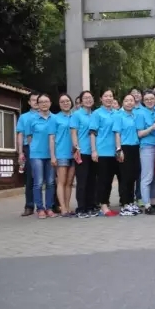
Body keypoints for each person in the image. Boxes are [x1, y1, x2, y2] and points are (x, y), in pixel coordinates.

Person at [25, 93, 56, 219]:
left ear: (50, 103)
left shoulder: (54, 118)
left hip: (51, 154)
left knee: (50, 182)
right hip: (36, 154)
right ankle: (40, 208)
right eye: (41, 102)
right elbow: (29, 137)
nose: (44, 104)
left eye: (46, 101)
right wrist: (34, 148)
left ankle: (49, 207)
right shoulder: (31, 119)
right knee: (38, 182)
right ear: (37, 104)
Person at [89, 89, 119, 217]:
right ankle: (103, 206)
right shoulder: (97, 113)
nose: (108, 98)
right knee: (103, 180)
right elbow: (92, 133)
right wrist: (94, 150)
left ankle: (106, 202)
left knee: (110, 180)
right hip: (102, 151)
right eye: (106, 96)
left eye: (110, 96)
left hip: (114, 152)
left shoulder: (117, 113)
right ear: (101, 98)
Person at [113, 93, 143, 216]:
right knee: (125, 176)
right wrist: (119, 149)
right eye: (126, 100)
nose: (129, 103)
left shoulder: (136, 116)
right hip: (124, 148)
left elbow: (139, 133)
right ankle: (125, 204)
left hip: (135, 147)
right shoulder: (119, 116)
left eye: (131, 100)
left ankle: (131, 202)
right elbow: (117, 134)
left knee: (134, 175)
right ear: (123, 103)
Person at [70, 91, 98, 219]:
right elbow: (73, 133)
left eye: (90, 97)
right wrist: (76, 148)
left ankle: (91, 206)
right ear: (81, 101)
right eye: (85, 98)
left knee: (92, 180)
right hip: (82, 152)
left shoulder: (95, 114)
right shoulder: (76, 115)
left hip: (94, 152)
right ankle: (81, 208)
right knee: (82, 181)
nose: (88, 100)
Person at [49, 94, 75, 217]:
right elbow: (51, 138)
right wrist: (53, 156)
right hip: (61, 153)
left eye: (67, 101)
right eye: (62, 101)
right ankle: (62, 207)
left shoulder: (75, 116)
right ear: (59, 104)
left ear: (71, 102)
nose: (65, 103)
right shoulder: (54, 118)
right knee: (61, 181)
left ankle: (68, 206)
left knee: (69, 182)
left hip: (74, 154)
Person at [136, 90, 155, 215]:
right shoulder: (140, 113)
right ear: (143, 101)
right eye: (146, 99)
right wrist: (152, 128)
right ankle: (146, 205)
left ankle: (153, 200)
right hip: (147, 147)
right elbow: (140, 133)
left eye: (151, 98)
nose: (149, 101)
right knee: (147, 176)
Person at [16, 91, 39, 217]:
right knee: (30, 177)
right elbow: (20, 134)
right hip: (29, 148)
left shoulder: (47, 115)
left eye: (38, 100)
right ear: (29, 102)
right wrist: (20, 152)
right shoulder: (24, 117)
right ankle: (29, 206)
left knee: (50, 179)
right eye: (33, 100)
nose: (36, 102)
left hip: (45, 148)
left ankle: (52, 205)